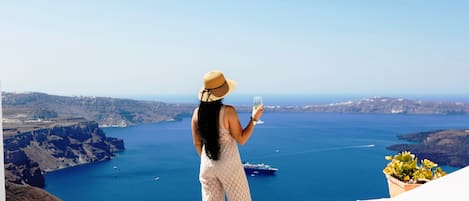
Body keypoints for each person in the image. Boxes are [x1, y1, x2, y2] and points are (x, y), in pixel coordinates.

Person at [191, 70, 264, 201]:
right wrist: (254, 119)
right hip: (228, 165)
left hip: (206, 165)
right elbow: (241, 139)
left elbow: (197, 143)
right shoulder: (228, 111)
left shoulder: (197, 113)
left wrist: (209, 161)